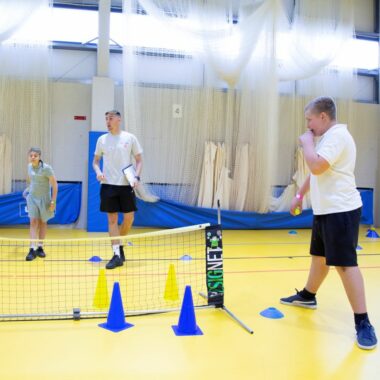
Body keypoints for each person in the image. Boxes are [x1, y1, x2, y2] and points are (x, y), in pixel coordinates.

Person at [280, 96, 377, 350]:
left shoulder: (337, 136)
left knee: (345, 266)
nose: (307, 125)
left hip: (341, 211)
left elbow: (318, 165)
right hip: (326, 211)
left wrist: (307, 144)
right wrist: (300, 195)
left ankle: (363, 322)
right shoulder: (327, 138)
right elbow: (316, 172)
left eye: (309, 119)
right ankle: (308, 295)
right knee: (320, 258)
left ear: (323, 117)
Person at [93, 110, 143, 270]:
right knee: (112, 220)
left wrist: (137, 177)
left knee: (129, 218)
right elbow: (95, 162)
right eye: (106, 118)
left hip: (126, 184)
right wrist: (98, 172)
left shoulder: (130, 138)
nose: (108, 121)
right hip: (108, 185)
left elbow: (139, 160)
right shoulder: (101, 140)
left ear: (119, 120)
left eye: (111, 118)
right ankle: (116, 254)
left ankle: (118, 244)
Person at [23, 148, 58, 261]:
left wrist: (53, 201)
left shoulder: (47, 169)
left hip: (45, 199)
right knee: (33, 222)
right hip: (32, 198)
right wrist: (28, 189)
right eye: (31, 155)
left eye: (35, 156)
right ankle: (32, 249)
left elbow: (55, 185)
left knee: (43, 222)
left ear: (39, 157)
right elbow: (32, 181)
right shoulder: (29, 167)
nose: (33, 157)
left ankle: (40, 247)